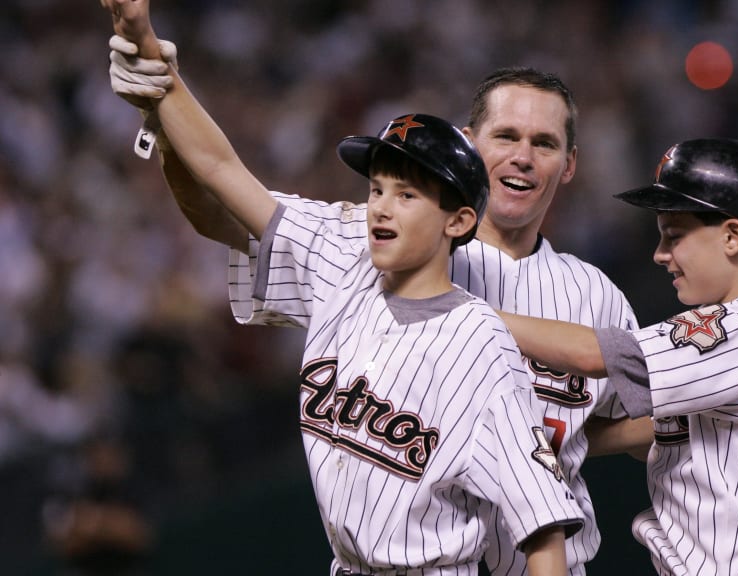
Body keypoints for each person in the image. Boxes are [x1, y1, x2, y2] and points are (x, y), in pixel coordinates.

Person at [107, 32, 642, 576]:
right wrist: (160, 96)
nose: (523, 157)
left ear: (569, 164)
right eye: (505, 135)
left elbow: (653, 410)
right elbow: (222, 191)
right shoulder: (362, 253)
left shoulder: (591, 297)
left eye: (544, 143)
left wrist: (562, 441)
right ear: (470, 144)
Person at [495, 138, 738, 575]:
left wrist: (470, 313)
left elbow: (596, 355)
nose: (660, 255)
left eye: (675, 236)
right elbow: (668, 429)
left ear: (732, 236)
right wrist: (565, 438)